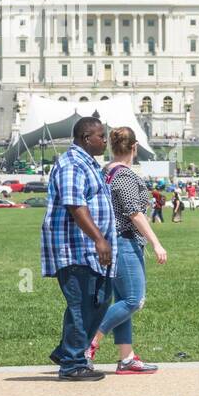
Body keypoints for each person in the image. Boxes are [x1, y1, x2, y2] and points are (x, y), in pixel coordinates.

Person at [83, 127, 165, 374]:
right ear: (134, 147)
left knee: (122, 300)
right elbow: (134, 212)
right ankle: (90, 343)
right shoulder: (125, 175)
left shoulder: (105, 171)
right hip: (125, 242)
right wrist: (156, 242)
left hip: (112, 240)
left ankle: (126, 357)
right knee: (134, 300)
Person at [41, 117, 114, 382]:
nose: (105, 141)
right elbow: (75, 205)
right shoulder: (71, 164)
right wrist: (99, 239)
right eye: (101, 136)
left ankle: (67, 351)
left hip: (91, 249)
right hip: (75, 247)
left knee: (101, 299)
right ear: (86, 138)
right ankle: (72, 364)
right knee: (81, 304)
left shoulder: (88, 164)